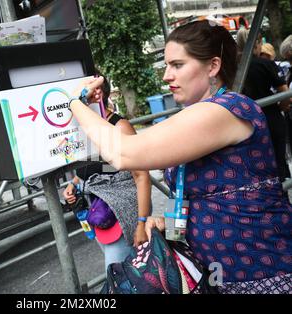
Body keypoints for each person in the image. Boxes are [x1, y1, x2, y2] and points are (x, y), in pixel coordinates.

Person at [69, 20, 291, 294]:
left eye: (177, 65)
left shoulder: (227, 109)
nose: (166, 76)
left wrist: (75, 103)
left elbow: (123, 152)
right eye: (166, 65)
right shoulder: (199, 114)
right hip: (214, 272)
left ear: (212, 66)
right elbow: (191, 195)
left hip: (258, 269)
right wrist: (171, 228)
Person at [63, 74, 152, 270]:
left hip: (122, 214)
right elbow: (99, 165)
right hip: (99, 212)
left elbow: (141, 175)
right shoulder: (87, 126)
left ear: (97, 91)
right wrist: (74, 183)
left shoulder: (120, 126)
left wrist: (141, 223)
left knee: (117, 275)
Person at [236, 28, 291, 181]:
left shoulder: (234, 67)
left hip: (243, 121)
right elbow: (285, 93)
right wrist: (281, 107)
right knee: (279, 164)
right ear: (257, 43)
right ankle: (282, 197)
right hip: (270, 118)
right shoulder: (265, 64)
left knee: (254, 166)